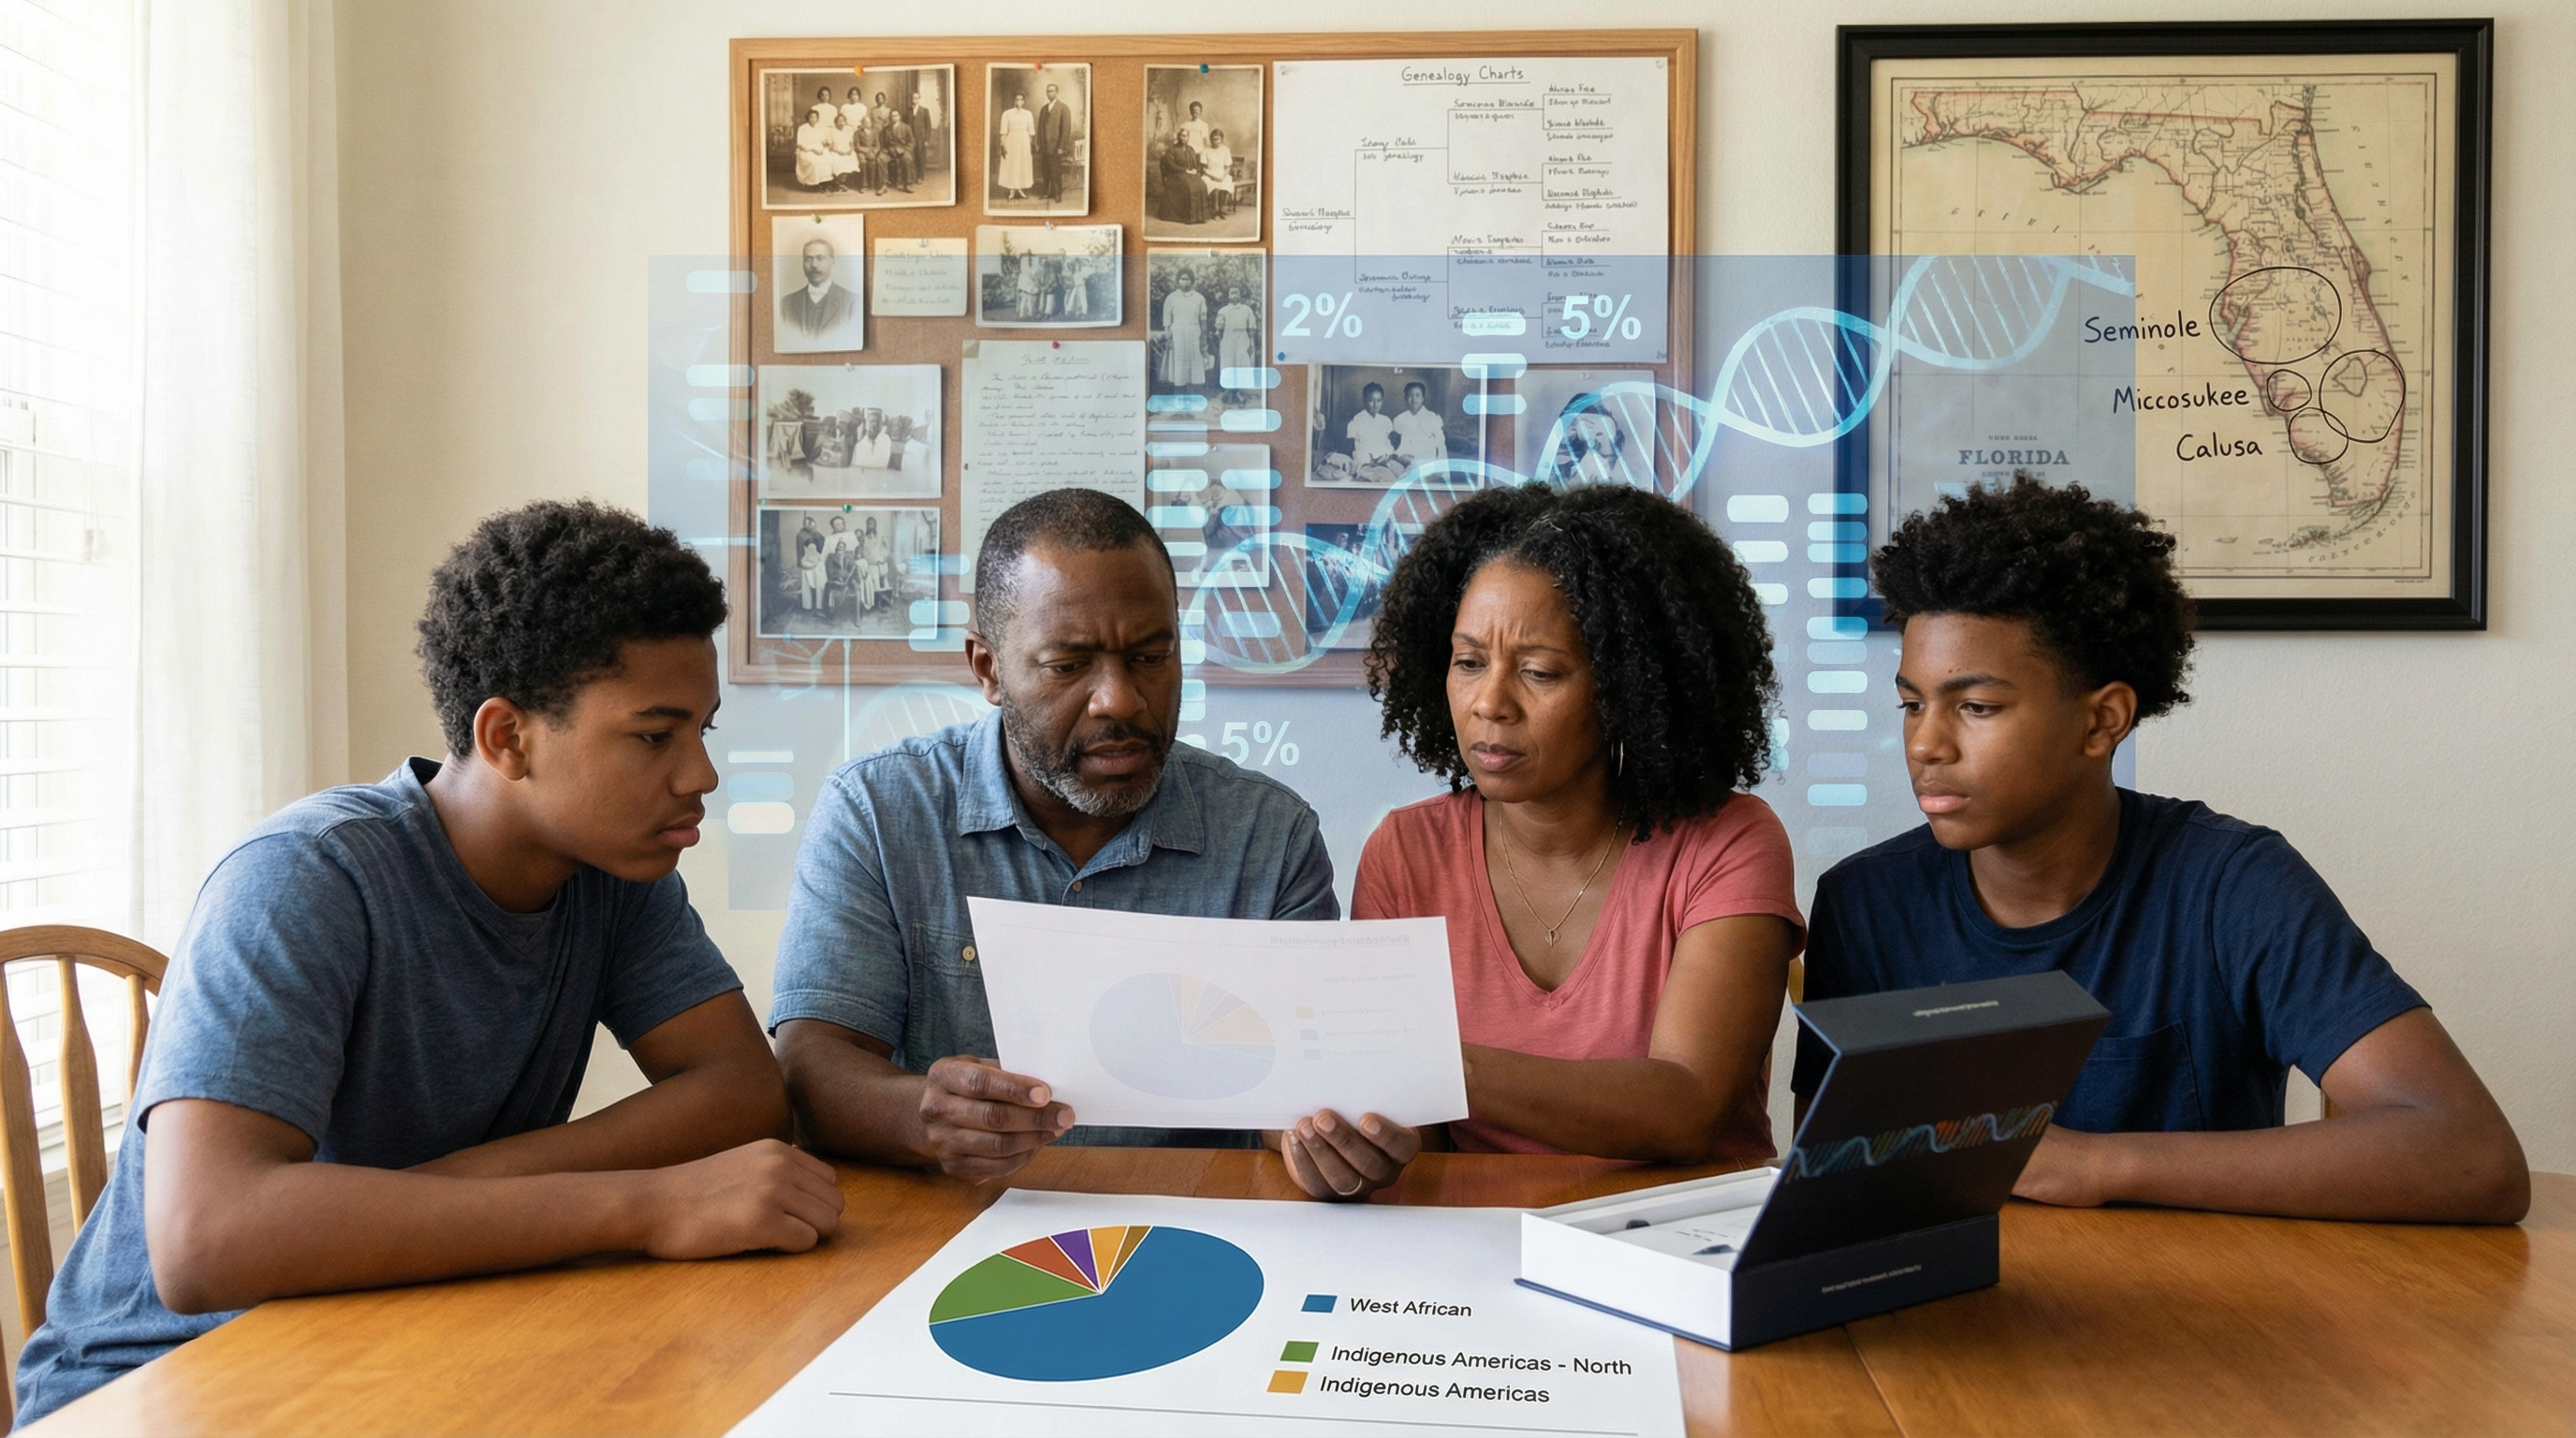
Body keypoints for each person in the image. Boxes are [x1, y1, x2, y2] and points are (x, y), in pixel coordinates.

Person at [9, 502, 843, 1423]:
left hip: (412, 1312)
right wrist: (637, 1205)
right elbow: (207, 1240)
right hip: (172, 1376)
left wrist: (422, 1202)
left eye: (703, 731)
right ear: (506, 737)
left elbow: (740, 1093)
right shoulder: (304, 879)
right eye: (655, 735)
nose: (699, 775)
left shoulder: (614, 870)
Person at [1793, 476, 2528, 1224]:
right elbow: (1828, 1182)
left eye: (1977, 707)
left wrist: (2096, 1162)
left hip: (2207, 1310)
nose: (1924, 743)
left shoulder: (2232, 886)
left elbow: (2470, 1155)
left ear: (2103, 720)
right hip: (1959, 1314)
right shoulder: (1866, 902)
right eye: (1911, 703)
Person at [771, 489, 1337, 1178]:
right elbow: (811, 1067)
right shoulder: (879, 811)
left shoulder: (1268, 835)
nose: (1120, 700)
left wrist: (1322, 1137)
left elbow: (1302, 1097)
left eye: (1152, 657)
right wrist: (925, 1115)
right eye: (1068, 667)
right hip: (943, 1231)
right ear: (988, 669)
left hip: (1199, 1231)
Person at [1266, 484, 1800, 1199]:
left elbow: (1686, 1108)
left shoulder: (1728, 843)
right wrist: (1353, 1148)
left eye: (1539, 671)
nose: (1490, 703)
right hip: (1480, 1234)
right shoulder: (1405, 852)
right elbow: (1403, 1124)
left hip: (1690, 1239)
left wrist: (1431, 1065)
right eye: (1467, 662)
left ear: (1625, 688)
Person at [779, 237, 858, 347]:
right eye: (808, 259)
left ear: (832, 261)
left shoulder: (852, 302)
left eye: (820, 258)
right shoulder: (786, 303)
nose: (814, 265)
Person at [1157, 267, 1209, 390]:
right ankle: (1179, 396)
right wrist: (1168, 339)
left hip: (1194, 334)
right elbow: (1167, 321)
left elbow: (1203, 321)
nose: (1185, 282)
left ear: (1192, 281)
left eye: (1188, 279)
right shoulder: (1171, 298)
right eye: (1182, 279)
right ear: (1178, 281)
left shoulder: (1199, 298)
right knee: (1179, 365)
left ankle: (1194, 396)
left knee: (1194, 364)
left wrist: (1203, 339)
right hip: (1178, 335)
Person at [1390, 380, 1447, 473]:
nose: (1414, 399)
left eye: (1417, 395)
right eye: (1410, 396)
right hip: (1404, 463)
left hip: (1426, 464)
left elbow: (1441, 447)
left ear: (1423, 398)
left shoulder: (1433, 418)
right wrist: (1400, 456)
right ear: (1405, 398)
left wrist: (1443, 472)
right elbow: (1394, 445)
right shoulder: (1399, 419)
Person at [1214, 283, 1258, 401]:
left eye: (1236, 292)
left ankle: (1238, 392)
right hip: (1228, 338)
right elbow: (1219, 328)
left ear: (1240, 295)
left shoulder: (1246, 310)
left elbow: (1251, 328)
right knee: (1228, 363)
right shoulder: (1223, 310)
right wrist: (1220, 339)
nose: (1234, 295)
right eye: (1231, 293)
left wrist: (1251, 342)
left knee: (1240, 363)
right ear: (1228, 295)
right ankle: (1229, 391)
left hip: (1242, 338)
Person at [1156, 130, 1208, 227]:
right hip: (1176, 175)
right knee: (1189, 187)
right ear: (1179, 137)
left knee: (1202, 185)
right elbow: (1171, 165)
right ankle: (1188, 217)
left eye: (1186, 136)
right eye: (1182, 136)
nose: (1183, 138)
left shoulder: (1190, 149)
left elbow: (1196, 163)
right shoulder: (1172, 150)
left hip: (1189, 174)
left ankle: (1199, 216)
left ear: (1188, 137)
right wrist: (1185, 170)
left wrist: (1195, 170)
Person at [1035, 81, 1076, 205]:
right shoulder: (1043, 109)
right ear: (1046, 93)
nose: (1050, 93)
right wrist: (1038, 143)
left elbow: (1066, 129)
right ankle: (1048, 192)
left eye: (1053, 91)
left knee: (1056, 171)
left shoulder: (1063, 108)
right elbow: (1040, 128)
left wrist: (1061, 147)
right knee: (1046, 170)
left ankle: (1057, 193)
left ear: (1057, 93)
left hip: (1056, 147)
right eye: (1048, 91)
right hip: (1045, 147)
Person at [995, 91, 1035, 200]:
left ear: (1024, 101)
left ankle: (1020, 188)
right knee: (1012, 164)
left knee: (1022, 164)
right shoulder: (1007, 114)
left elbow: (1031, 132)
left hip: (1024, 141)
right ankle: (1012, 190)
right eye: (1017, 99)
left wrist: (1030, 145)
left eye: (1021, 99)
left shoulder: (1028, 114)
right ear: (1014, 100)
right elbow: (1003, 131)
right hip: (1011, 141)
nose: (1019, 102)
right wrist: (1002, 144)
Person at [1346, 382, 1397, 466]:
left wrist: (1388, 457)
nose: (1375, 405)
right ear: (1364, 400)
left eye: (1378, 401)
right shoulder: (1356, 420)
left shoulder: (1386, 420)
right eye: (1371, 400)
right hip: (1365, 463)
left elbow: (1389, 445)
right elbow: (1351, 449)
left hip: (1386, 461)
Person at [1199, 126, 1237, 218]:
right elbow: (1203, 169)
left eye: (1218, 138)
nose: (1216, 140)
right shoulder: (1206, 150)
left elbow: (1228, 167)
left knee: (1226, 181)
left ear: (1222, 139)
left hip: (1222, 173)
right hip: (1209, 174)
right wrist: (1213, 177)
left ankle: (1220, 210)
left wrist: (1223, 177)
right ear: (1211, 139)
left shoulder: (1225, 149)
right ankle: (1214, 211)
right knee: (1211, 184)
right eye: (1214, 138)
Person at [793, 107, 832, 190]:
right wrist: (813, 150)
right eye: (811, 117)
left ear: (818, 119)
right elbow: (799, 143)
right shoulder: (802, 128)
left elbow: (824, 141)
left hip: (819, 148)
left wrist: (824, 146)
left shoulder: (821, 127)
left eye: (815, 117)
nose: (813, 119)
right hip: (806, 149)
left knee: (827, 159)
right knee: (814, 162)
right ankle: (812, 184)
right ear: (808, 118)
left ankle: (823, 182)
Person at [796, 513, 826, 611]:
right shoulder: (801, 535)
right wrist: (801, 563)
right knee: (808, 584)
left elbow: (823, 549)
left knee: (820, 582)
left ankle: (820, 606)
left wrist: (818, 537)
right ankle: (808, 606)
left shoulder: (818, 534)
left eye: (813, 525)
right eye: (808, 524)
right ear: (804, 525)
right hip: (807, 562)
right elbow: (800, 551)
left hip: (819, 562)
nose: (811, 526)